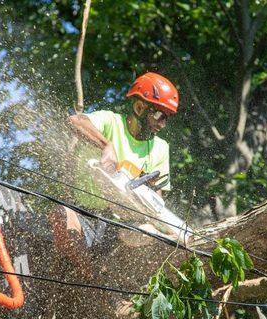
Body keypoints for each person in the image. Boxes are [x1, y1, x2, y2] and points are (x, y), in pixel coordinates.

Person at [49, 72, 179, 278]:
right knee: (61, 214)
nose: (162, 124)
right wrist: (106, 145)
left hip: (122, 224)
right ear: (139, 107)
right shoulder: (111, 122)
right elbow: (75, 120)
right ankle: (89, 278)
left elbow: (157, 201)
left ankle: (115, 279)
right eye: (160, 116)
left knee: (149, 231)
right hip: (85, 214)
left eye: (167, 119)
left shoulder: (160, 148)